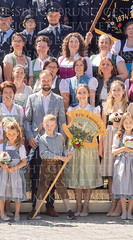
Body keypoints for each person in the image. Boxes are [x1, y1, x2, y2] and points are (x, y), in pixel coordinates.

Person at [24, 70, 67, 218]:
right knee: (36, 175)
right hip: (36, 143)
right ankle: (34, 207)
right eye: (43, 80)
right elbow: (27, 120)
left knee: (51, 175)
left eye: (48, 80)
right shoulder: (31, 98)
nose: (46, 83)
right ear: (39, 81)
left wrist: (61, 143)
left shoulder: (59, 100)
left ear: (52, 82)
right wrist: (29, 137)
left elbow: (62, 122)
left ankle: (50, 206)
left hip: (53, 144)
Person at [66, 84, 102, 217]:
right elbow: (69, 129)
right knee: (76, 176)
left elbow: (98, 130)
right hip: (76, 146)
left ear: (88, 94)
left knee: (88, 175)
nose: (82, 95)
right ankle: (78, 205)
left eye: (84, 92)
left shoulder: (95, 110)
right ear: (76, 95)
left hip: (90, 147)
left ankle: (86, 205)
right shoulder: (71, 109)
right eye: (79, 93)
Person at [33, 114, 75, 220]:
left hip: (57, 165)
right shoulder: (42, 139)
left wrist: (66, 153)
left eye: (51, 125)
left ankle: (69, 211)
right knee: (42, 187)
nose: (49, 127)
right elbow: (44, 154)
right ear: (43, 125)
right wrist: (61, 157)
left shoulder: (60, 137)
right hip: (46, 165)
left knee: (61, 187)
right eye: (47, 125)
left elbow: (63, 148)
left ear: (55, 125)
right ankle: (36, 210)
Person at [100, 80, 129, 216]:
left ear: (123, 91)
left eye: (118, 90)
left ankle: (120, 205)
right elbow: (102, 127)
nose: (116, 92)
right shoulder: (106, 106)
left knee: (120, 173)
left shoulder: (128, 106)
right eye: (114, 90)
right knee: (110, 174)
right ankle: (113, 204)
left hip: (122, 137)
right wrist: (101, 145)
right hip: (108, 137)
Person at [111, 112, 133, 220]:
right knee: (123, 185)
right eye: (126, 122)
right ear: (122, 124)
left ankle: (130, 211)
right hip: (122, 162)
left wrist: (132, 149)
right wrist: (123, 148)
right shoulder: (118, 136)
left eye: (130, 122)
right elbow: (113, 151)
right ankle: (123, 211)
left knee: (132, 185)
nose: (128, 124)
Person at [0, 120, 28, 221]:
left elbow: (24, 162)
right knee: (2, 191)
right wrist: (3, 165)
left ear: (18, 133)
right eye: (9, 134)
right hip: (4, 172)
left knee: (16, 191)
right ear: (6, 134)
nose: (11, 136)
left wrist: (14, 168)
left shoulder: (20, 147)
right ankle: (2, 213)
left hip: (15, 172)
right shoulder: (2, 146)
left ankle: (17, 213)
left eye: (13, 134)